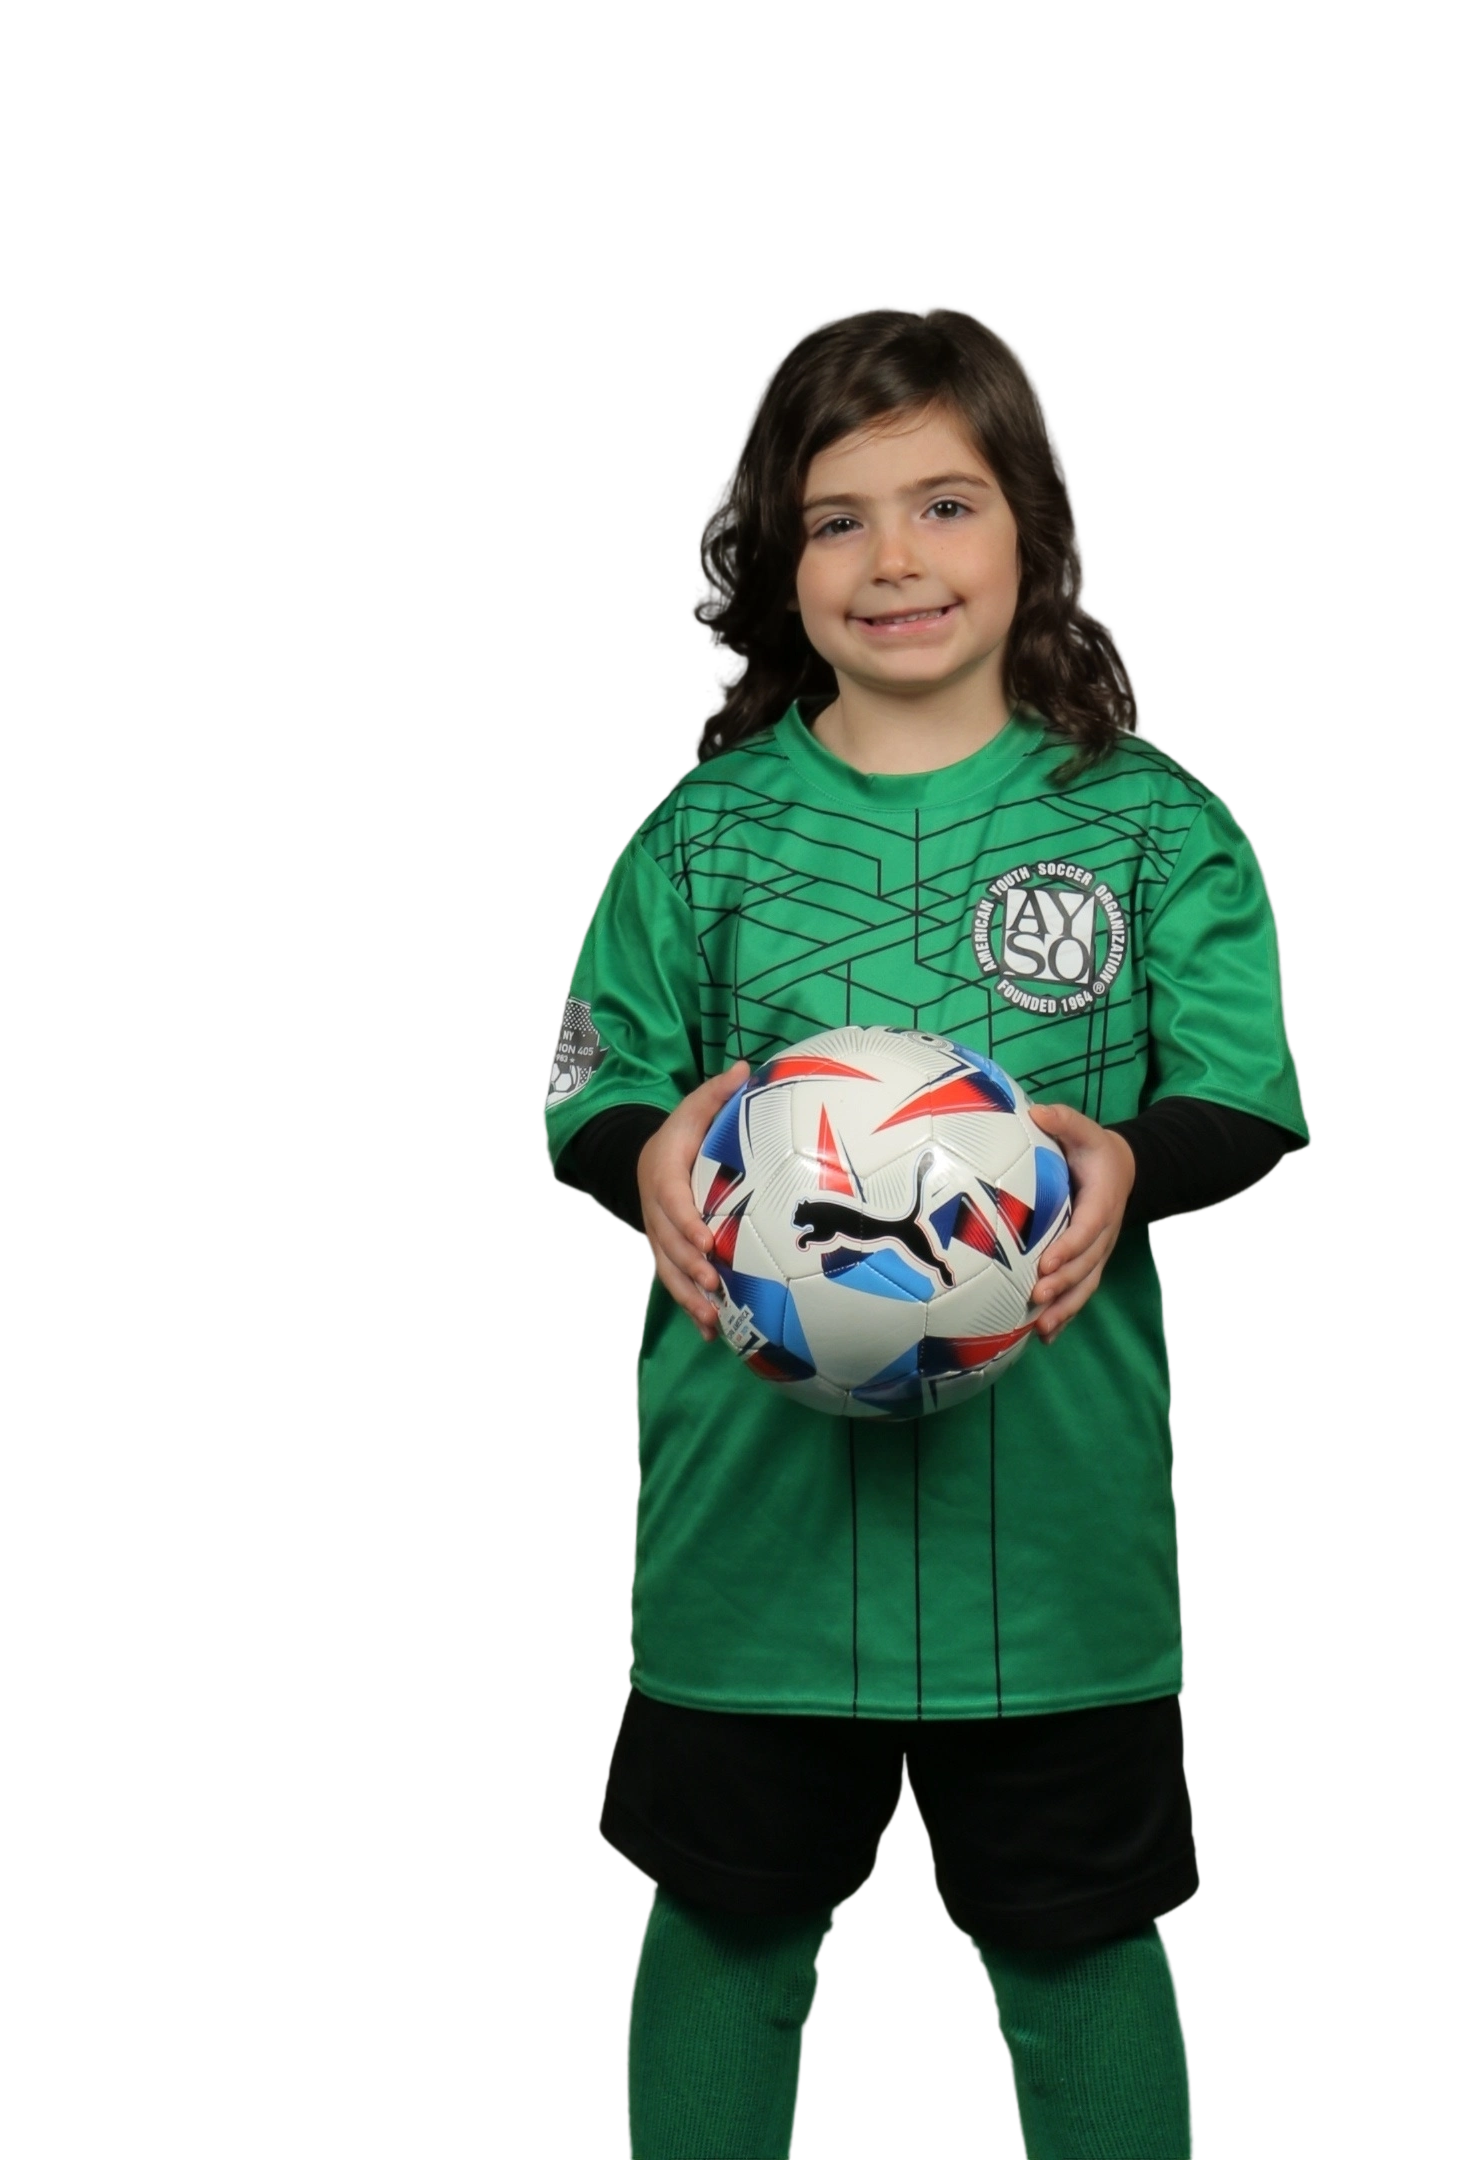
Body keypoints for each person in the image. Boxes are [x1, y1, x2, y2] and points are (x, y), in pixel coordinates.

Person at [542, 299, 1312, 2158]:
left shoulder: (1153, 828)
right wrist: (647, 1154)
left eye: (945, 504)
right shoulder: (702, 840)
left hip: (1049, 1559)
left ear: (1033, 526)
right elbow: (595, 1087)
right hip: (752, 1553)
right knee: (724, 1936)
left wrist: (1123, 1161)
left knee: (1083, 1954)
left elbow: (1242, 1097)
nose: (894, 559)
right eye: (840, 517)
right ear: (779, 559)